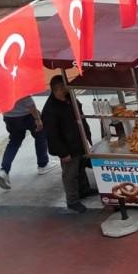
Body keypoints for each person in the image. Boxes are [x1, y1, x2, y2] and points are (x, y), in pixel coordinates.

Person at [41, 75, 93, 213]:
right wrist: (63, 153)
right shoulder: (50, 110)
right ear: (55, 90)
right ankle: (72, 200)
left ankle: (84, 189)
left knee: (80, 167)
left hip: (79, 141)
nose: (65, 91)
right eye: (62, 89)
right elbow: (52, 135)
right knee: (70, 174)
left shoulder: (69, 99)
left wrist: (87, 137)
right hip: (68, 147)